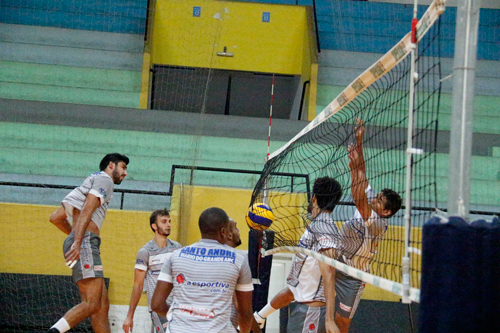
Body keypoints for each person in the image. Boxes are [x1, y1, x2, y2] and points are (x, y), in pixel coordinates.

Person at [254, 118, 402, 333]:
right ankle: (260, 316)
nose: (374, 199)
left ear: (386, 211)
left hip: (353, 276)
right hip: (337, 260)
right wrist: (359, 144)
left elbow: (359, 195)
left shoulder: (378, 223)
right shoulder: (369, 205)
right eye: (376, 196)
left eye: (379, 200)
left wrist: (353, 170)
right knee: (295, 289)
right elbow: (363, 173)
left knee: (341, 323)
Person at [46, 153, 129, 333]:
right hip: (84, 242)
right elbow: (88, 210)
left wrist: (75, 237)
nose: (125, 173)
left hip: (81, 240)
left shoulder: (87, 183)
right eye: (123, 167)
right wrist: (78, 241)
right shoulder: (105, 180)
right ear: (110, 166)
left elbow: (55, 218)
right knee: (92, 304)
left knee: (101, 306)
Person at [256, 177, 344, 333]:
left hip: (311, 313)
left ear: (314, 198)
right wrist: (261, 316)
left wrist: (329, 319)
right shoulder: (317, 224)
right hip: (304, 309)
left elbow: (329, 273)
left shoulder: (323, 227)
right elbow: (292, 290)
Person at [151, 207, 255, 333]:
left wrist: (183, 316)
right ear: (223, 231)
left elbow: (156, 304)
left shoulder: (175, 255)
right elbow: (245, 312)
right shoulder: (239, 259)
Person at [123, 209, 182, 333]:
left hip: (177, 307)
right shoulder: (145, 252)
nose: (169, 225)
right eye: (164, 222)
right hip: (159, 307)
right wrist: (130, 316)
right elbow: (138, 286)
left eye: (169, 222)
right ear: (154, 226)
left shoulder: (177, 248)